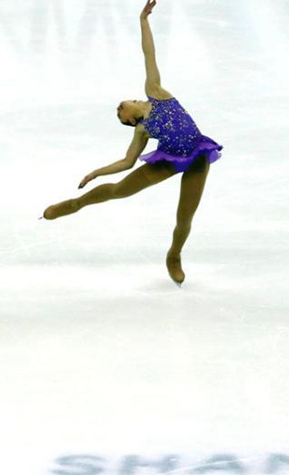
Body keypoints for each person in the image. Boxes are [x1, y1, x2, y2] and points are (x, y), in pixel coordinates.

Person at [41, 0, 223, 288]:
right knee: (118, 191)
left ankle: (174, 256)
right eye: (118, 112)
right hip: (167, 161)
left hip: (198, 157)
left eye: (119, 106)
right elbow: (126, 162)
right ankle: (76, 204)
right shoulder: (141, 131)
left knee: (184, 217)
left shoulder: (156, 92)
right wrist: (95, 173)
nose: (119, 107)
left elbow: (149, 53)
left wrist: (144, 20)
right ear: (130, 121)